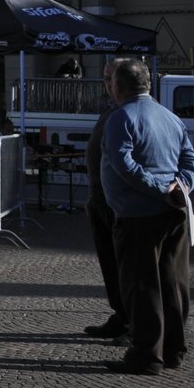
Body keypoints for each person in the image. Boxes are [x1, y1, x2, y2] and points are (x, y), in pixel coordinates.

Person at [100, 58, 194, 375]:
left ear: (118, 86)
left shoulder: (121, 118)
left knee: (142, 286)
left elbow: (125, 166)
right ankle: (172, 350)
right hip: (173, 214)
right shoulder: (169, 117)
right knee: (173, 283)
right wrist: (180, 186)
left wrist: (162, 189)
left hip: (138, 216)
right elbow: (191, 159)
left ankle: (146, 355)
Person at [81, 58, 129, 341]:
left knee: (126, 266)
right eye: (104, 78)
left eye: (110, 78)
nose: (107, 84)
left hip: (118, 202)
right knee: (110, 263)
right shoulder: (111, 110)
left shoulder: (127, 113)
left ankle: (133, 322)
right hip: (101, 198)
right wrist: (92, 197)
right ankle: (121, 315)